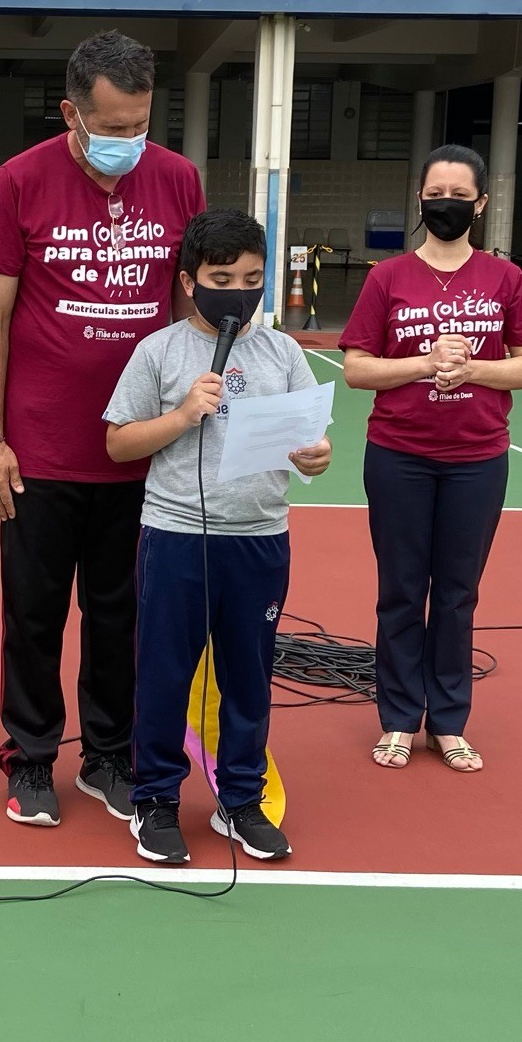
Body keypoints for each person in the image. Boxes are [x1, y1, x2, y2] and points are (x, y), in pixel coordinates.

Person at [0, 31, 205, 827]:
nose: (127, 142)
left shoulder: (177, 180)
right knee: (33, 615)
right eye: (111, 128)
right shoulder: (18, 182)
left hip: (140, 447)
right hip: (40, 450)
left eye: (139, 124)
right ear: (71, 112)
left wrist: (192, 417)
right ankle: (31, 756)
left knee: (122, 616)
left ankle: (109, 754)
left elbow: (187, 308)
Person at [103, 208, 332, 865]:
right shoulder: (159, 352)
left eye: (252, 280)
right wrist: (181, 415)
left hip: (259, 537)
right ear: (189, 281)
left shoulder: (283, 353)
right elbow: (118, 442)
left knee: (248, 676)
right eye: (222, 279)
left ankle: (240, 798)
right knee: (165, 673)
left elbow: (309, 443)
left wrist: (315, 456)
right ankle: (155, 798)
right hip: (177, 536)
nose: (238, 292)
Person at [338, 144, 522, 772]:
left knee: (457, 594)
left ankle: (449, 721)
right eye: (436, 195)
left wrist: (474, 369)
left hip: (477, 459)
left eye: (459, 196)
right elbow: (357, 369)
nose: (446, 204)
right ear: (420, 198)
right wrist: (425, 364)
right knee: (401, 590)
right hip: (399, 455)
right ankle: (399, 718)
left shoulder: (504, 279)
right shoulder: (387, 278)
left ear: (480, 204)